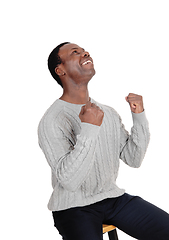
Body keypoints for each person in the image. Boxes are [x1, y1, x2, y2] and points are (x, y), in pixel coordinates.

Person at [38, 42, 169, 240]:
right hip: (73, 208)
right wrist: (89, 128)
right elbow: (69, 181)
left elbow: (133, 159)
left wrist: (139, 115)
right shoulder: (53, 120)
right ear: (61, 70)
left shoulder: (106, 112)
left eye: (84, 51)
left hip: (113, 198)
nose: (84, 53)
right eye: (75, 52)